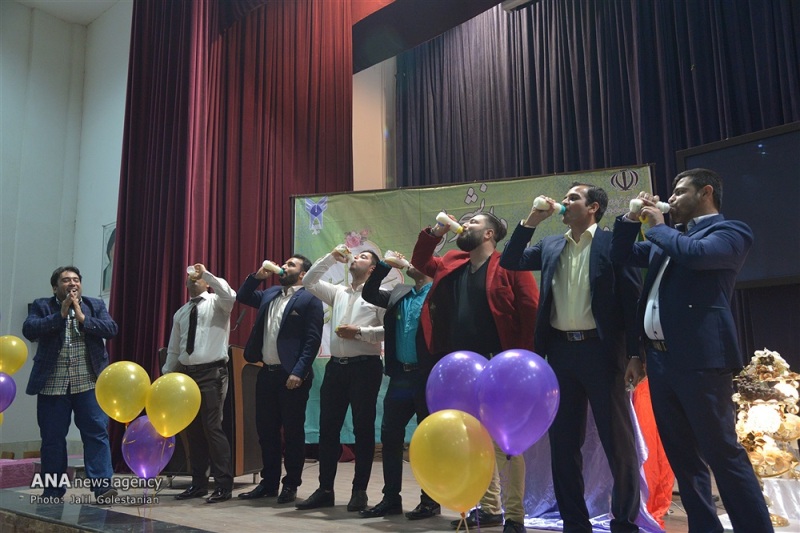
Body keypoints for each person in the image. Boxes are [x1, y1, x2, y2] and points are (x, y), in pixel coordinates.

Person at [610, 168, 774, 533]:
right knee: (683, 458)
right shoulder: (668, 239)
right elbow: (620, 253)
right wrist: (630, 219)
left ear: (706, 193)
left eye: (680, 191)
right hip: (660, 360)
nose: (672, 198)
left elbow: (697, 255)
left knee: (722, 452)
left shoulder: (730, 232)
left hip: (701, 360)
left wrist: (657, 226)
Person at [500, 183, 642, 533]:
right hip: (560, 354)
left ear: (593, 207)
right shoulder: (551, 245)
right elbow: (510, 259)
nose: (564, 202)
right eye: (564, 197)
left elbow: (632, 301)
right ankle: (575, 523)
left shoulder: (614, 244)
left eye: (573, 198)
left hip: (602, 353)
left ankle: (624, 522)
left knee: (617, 443)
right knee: (563, 445)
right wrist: (532, 220)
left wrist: (636, 354)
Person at [411, 212, 539, 533]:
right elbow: (420, 261)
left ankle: (515, 515)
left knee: (505, 444)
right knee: (474, 440)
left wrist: (521, 362)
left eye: (474, 222)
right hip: (461, 370)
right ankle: (489, 508)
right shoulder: (452, 262)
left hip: (500, 365)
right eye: (464, 220)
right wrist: (435, 231)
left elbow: (530, 311)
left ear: (489, 234)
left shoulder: (510, 264)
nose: (465, 224)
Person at [296, 248, 385, 512]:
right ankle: (325, 490)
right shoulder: (339, 292)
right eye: (355, 256)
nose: (356, 258)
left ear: (372, 269)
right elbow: (309, 281)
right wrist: (331, 257)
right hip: (336, 368)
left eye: (363, 257)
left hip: (365, 368)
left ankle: (359, 492)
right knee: (328, 430)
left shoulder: (379, 295)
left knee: (363, 430)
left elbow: (387, 330)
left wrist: (359, 332)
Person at [23, 266, 117, 503]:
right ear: (55, 287)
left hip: (89, 382)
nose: (72, 283)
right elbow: (29, 329)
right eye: (66, 280)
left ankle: (103, 488)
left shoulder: (94, 305)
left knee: (96, 434)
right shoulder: (42, 305)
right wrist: (61, 315)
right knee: (52, 439)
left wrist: (84, 319)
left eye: (76, 280)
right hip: (52, 384)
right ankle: (52, 491)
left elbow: (111, 329)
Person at [236, 255, 323, 504]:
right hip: (266, 372)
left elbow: (312, 340)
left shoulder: (309, 298)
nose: (284, 266)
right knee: (266, 431)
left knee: (293, 433)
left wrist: (298, 371)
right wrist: (257, 277)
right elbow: (243, 296)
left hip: (292, 375)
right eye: (284, 263)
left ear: (303, 274)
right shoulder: (270, 293)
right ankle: (269, 482)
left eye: (291, 265)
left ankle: (291, 484)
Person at [359, 254, 440, 520]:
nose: (412, 262)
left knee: (428, 440)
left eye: (419, 260)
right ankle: (391, 498)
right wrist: (385, 266)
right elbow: (370, 293)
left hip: (427, 377)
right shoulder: (400, 292)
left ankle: (430, 501)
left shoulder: (439, 292)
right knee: (390, 437)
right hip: (400, 376)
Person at [163, 263, 236, 504]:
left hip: (212, 373)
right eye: (190, 278)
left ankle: (223, 485)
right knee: (193, 430)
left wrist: (206, 273)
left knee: (212, 427)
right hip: (186, 375)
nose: (193, 279)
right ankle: (198, 484)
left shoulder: (218, 302)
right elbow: (174, 349)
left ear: (206, 282)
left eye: (198, 277)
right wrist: (167, 376)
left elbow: (230, 294)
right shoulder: (181, 313)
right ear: (185, 284)